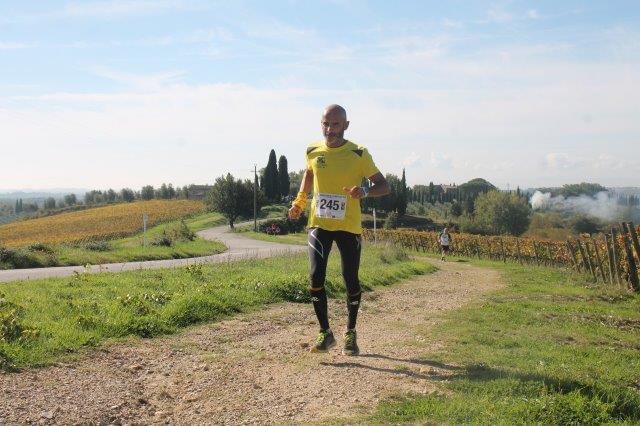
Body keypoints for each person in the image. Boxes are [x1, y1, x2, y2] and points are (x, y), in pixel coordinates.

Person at [288, 104, 390, 356]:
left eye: (335, 124)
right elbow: (309, 175)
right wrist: (299, 202)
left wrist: (364, 191)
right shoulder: (312, 151)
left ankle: (350, 332)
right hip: (319, 224)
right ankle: (325, 332)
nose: (329, 129)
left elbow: (384, 185)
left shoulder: (359, 153)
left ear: (346, 125)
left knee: (350, 279)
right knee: (315, 277)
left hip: (348, 227)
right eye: (325, 124)